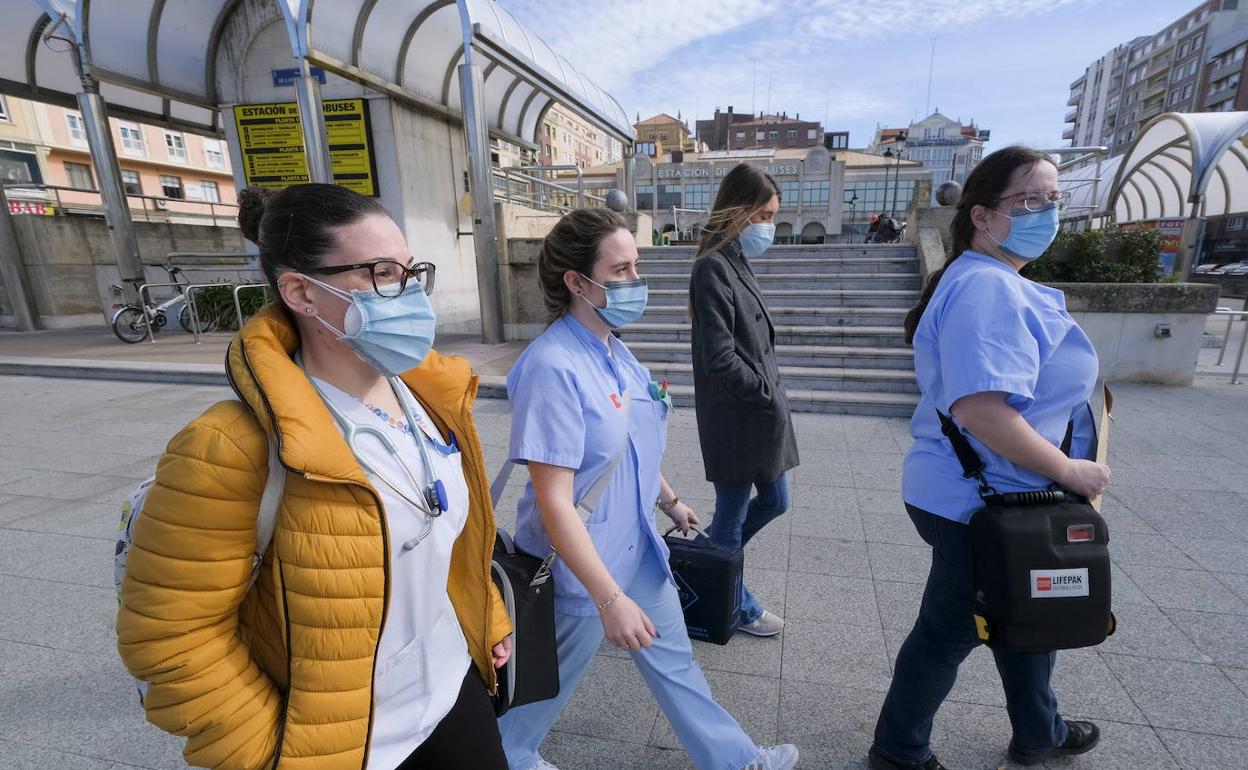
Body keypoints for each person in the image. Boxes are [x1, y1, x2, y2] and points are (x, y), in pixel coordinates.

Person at [116, 184, 513, 770]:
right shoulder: (227, 448)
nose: (405, 293)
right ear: (301, 292)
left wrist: (486, 617)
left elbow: (447, 536)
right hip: (342, 744)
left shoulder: (429, 398)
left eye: (409, 272)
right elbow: (171, 637)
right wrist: (266, 753)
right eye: (379, 273)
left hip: (453, 695)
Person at [496, 208, 799, 770]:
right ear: (577, 282)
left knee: (675, 660)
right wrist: (608, 600)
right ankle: (505, 754)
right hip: (581, 564)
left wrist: (670, 500)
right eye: (623, 269)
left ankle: (737, 761)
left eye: (636, 267)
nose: (637, 282)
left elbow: (631, 438)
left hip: (636, 545)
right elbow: (553, 500)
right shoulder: (552, 366)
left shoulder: (615, 348)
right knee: (547, 681)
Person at [868, 147, 1110, 770]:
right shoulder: (986, 288)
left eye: (1054, 200)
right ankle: (898, 753)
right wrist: (1070, 471)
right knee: (948, 633)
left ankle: (1040, 731)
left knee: (1025, 610)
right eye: (1029, 201)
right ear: (981, 214)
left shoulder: (992, 280)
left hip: (995, 492)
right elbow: (981, 410)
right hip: (983, 497)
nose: (1046, 212)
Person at [688, 163, 799, 638]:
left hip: (759, 417)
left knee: (775, 501)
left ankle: (711, 557)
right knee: (733, 519)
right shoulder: (713, 265)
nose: (770, 227)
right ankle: (739, 602)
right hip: (738, 420)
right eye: (765, 215)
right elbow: (719, 357)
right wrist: (763, 394)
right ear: (739, 212)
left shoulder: (734, 258)